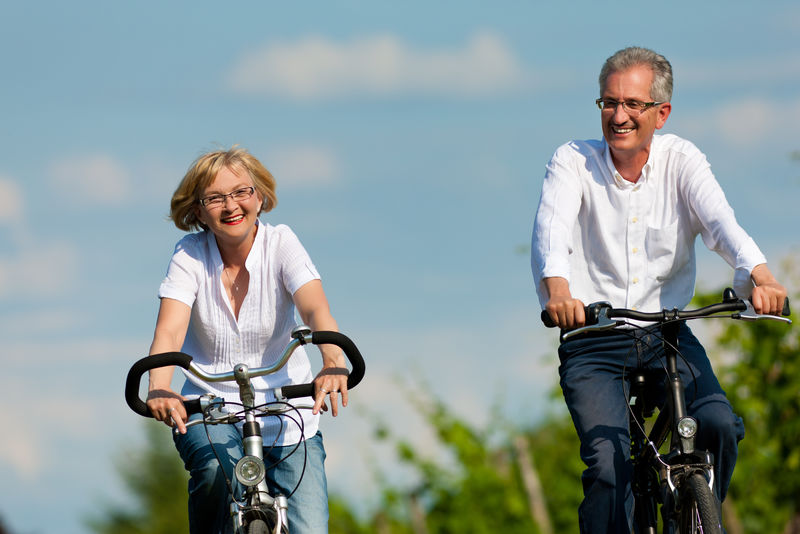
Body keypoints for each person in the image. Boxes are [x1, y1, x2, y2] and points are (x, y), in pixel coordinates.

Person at [531, 47, 787, 533]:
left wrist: (761, 275)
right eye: (608, 103)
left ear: (661, 113)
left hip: (666, 334)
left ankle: (694, 519)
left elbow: (721, 223)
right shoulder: (572, 162)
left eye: (632, 104)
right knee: (609, 471)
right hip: (594, 339)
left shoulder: (683, 160)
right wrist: (560, 293)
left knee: (718, 425)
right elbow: (553, 232)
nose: (618, 116)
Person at [145, 146, 349, 534]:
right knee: (212, 472)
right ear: (198, 211)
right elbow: (170, 330)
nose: (231, 206)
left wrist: (332, 360)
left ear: (260, 196)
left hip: (289, 412)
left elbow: (315, 311)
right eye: (215, 198)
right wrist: (159, 386)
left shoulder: (282, 243)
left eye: (241, 192)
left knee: (311, 528)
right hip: (211, 409)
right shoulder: (190, 256)